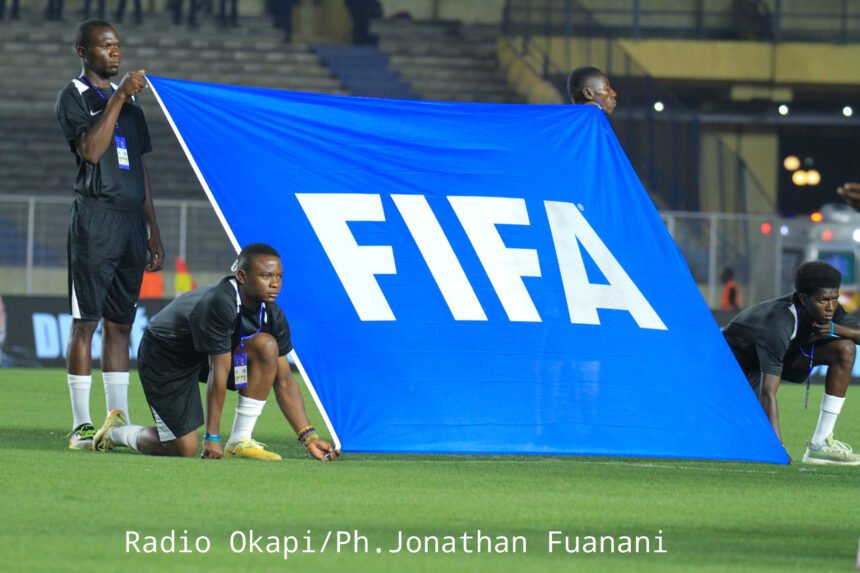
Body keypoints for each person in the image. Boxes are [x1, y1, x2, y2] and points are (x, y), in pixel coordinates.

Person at [92, 243, 339, 462]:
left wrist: (309, 437)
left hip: (206, 352)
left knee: (267, 347)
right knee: (183, 447)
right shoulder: (220, 302)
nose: (275, 283)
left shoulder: (272, 314)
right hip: (166, 355)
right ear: (242, 276)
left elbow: (284, 380)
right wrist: (211, 436)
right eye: (266, 276)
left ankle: (240, 440)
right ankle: (116, 432)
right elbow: (218, 372)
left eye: (278, 276)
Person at [56, 19, 164, 449]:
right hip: (95, 219)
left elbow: (141, 169)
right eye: (105, 46)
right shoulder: (74, 95)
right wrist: (119, 96)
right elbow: (91, 150)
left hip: (130, 223)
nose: (115, 53)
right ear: (83, 51)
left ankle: (115, 418)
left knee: (122, 324)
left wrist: (154, 230)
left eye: (118, 46)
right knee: (86, 323)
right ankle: (82, 425)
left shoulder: (134, 108)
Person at [722, 261, 860, 465]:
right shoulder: (779, 322)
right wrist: (778, 452)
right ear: (803, 298)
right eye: (824, 300)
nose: (831, 307)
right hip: (732, 372)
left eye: (834, 299)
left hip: (778, 358)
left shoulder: (830, 309)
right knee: (729, 439)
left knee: (846, 349)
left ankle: (820, 444)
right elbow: (768, 392)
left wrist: (836, 329)